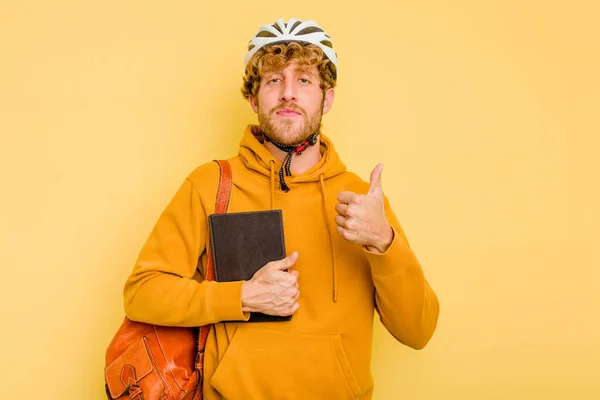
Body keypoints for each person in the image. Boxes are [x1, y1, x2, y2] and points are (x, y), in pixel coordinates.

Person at [123, 17, 440, 400]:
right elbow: (142, 293)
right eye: (274, 79)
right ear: (254, 97)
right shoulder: (211, 184)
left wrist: (383, 242)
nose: (289, 93)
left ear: (328, 97)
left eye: (304, 80)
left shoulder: (361, 200)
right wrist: (240, 297)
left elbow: (418, 332)